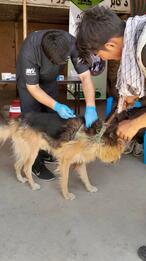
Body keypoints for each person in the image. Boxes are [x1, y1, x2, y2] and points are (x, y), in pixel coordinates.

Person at [76, 5, 146, 260]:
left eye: (99, 54)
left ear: (110, 43)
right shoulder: (135, 35)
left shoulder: (144, 48)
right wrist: (125, 111)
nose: (102, 60)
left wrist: (136, 124)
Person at [16, 29, 98, 181]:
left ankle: (47, 150)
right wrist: (57, 106)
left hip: (50, 80)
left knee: (52, 116)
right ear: (48, 56)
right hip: (30, 84)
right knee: (34, 119)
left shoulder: (72, 43)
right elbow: (33, 88)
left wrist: (91, 106)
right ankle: (35, 163)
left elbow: (85, 77)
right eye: (56, 62)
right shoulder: (30, 50)